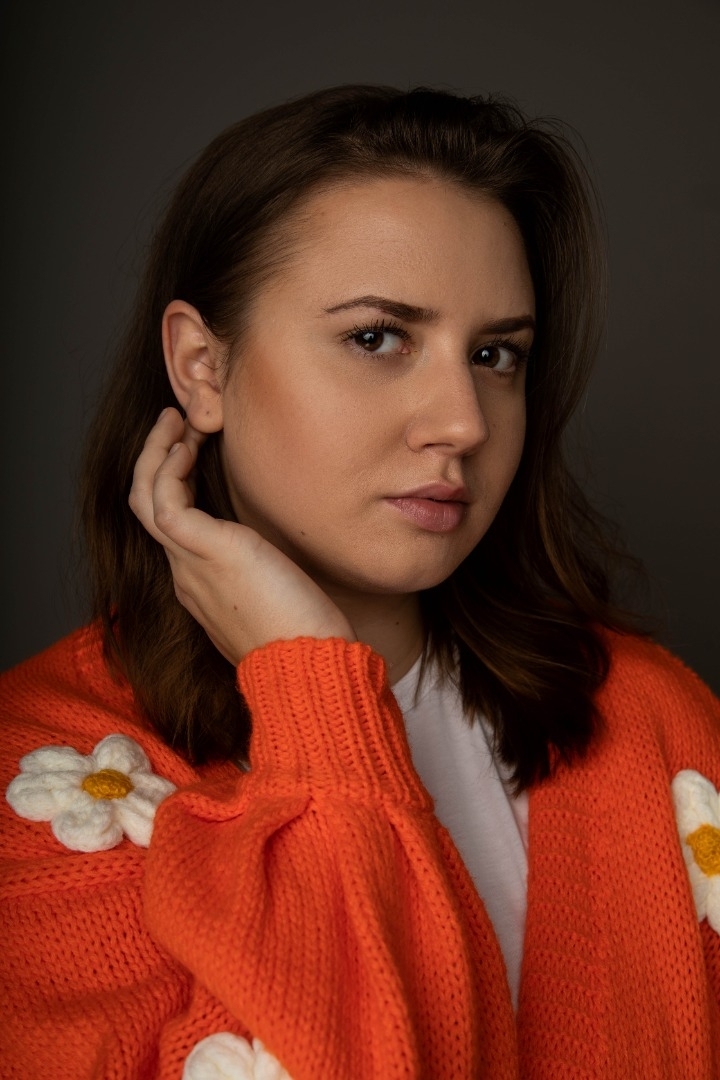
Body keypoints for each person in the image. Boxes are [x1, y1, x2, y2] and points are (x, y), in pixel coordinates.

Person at [1, 85, 719, 1080]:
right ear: (202, 367)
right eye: (377, 338)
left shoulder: (651, 721)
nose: (463, 421)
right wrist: (312, 695)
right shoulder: (41, 780)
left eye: (495, 354)